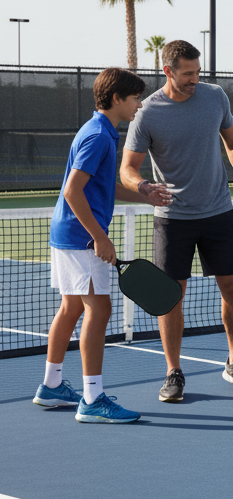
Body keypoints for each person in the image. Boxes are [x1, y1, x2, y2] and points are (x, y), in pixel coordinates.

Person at [121, 40, 233, 402]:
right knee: (171, 297)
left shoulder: (215, 97)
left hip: (218, 212)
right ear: (168, 71)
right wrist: (144, 186)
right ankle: (173, 372)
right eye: (187, 74)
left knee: (232, 288)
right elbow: (127, 170)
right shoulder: (147, 113)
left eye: (198, 72)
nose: (195, 79)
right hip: (172, 220)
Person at [34, 68, 172, 422]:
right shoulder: (98, 136)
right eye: (135, 99)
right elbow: (72, 190)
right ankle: (93, 400)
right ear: (116, 99)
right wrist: (100, 236)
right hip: (81, 237)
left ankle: (51, 386)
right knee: (100, 310)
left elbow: (101, 186)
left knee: (72, 308)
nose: (139, 106)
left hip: (67, 234)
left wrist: (145, 194)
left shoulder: (99, 131)